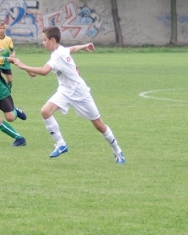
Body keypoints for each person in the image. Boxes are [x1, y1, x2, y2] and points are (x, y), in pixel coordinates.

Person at [14, 26, 125, 163]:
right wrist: (83, 46)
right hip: (65, 90)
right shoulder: (60, 50)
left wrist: (23, 66)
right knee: (45, 111)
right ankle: (61, 144)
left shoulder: (57, 55)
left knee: (99, 125)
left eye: (44, 40)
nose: (43, 43)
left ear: (52, 40)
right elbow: (71, 49)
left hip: (80, 92)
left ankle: (118, 151)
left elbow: (44, 71)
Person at [0, 56, 27, 147]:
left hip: (1, 93)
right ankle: (19, 138)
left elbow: (11, 59)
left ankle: (15, 111)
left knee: (10, 118)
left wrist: (27, 69)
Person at [0, 21, 15, 90]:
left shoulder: (8, 39)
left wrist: (12, 55)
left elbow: (12, 50)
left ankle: (8, 90)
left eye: (3, 28)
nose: (2, 30)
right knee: (1, 78)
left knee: (10, 80)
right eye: (0, 28)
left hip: (6, 62)